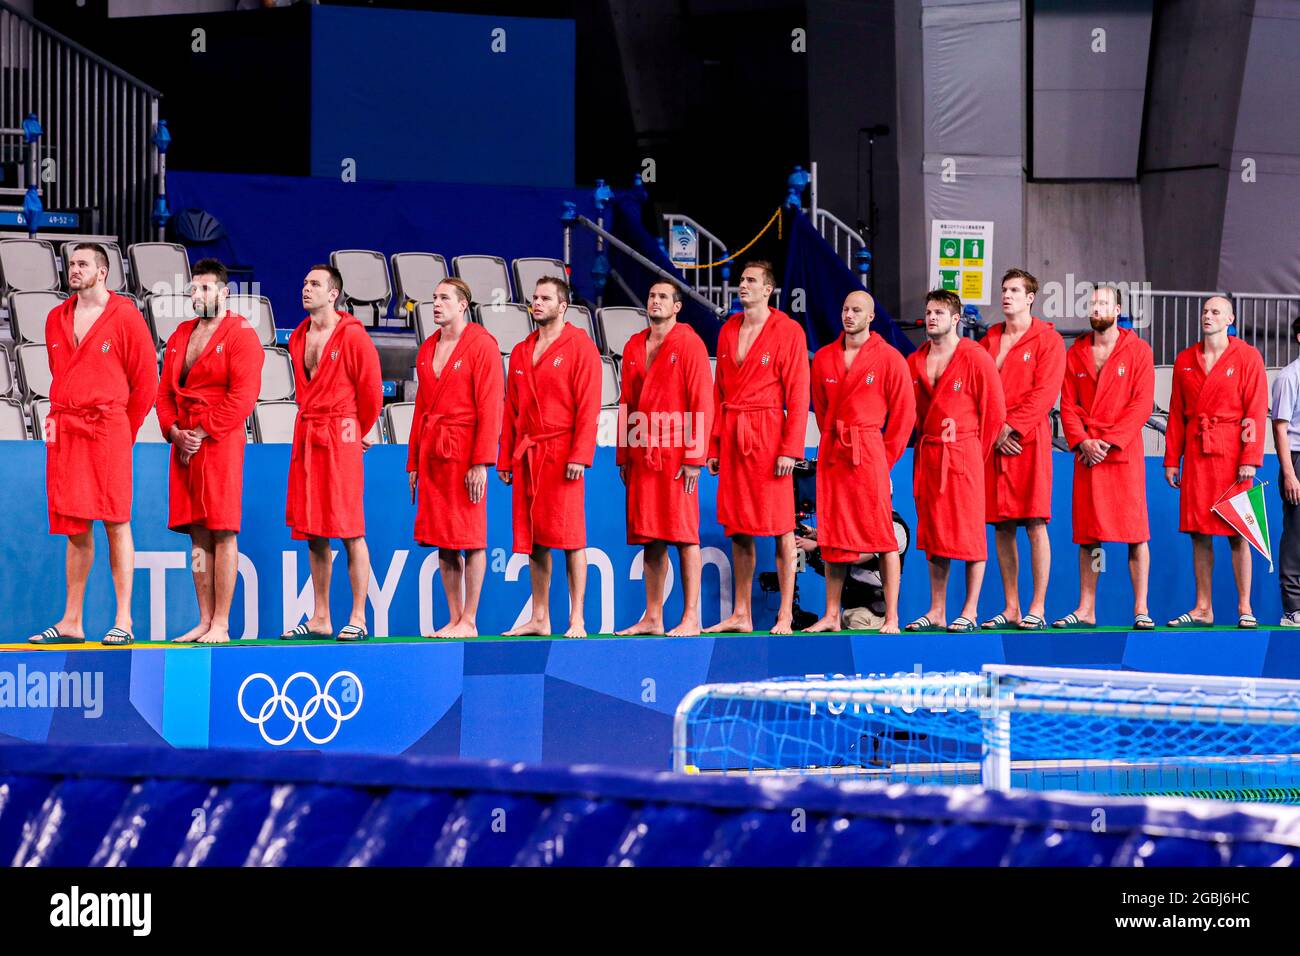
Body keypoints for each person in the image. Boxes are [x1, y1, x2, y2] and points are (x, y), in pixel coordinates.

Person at [28, 242, 158, 646]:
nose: (74, 269)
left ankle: (123, 620)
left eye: (82, 263)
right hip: (69, 431)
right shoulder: (55, 318)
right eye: (71, 263)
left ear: (103, 271)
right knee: (74, 525)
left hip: (109, 429)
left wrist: (123, 429)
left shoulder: (126, 316)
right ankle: (72, 620)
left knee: (116, 520)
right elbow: (61, 374)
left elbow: (147, 382)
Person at [156, 258, 264, 644]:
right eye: (193, 289)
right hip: (184, 442)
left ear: (223, 292)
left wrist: (200, 431)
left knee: (222, 530)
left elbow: (243, 397)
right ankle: (203, 619)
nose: (197, 295)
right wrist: (174, 431)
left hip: (219, 440)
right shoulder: (180, 335)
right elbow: (164, 394)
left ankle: (222, 622)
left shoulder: (241, 334)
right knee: (197, 534)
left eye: (205, 288)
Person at [704, 261, 811, 635]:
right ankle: (742, 613)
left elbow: (798, 395)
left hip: (768, 435)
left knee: (782, 526)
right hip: (733, 433)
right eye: (741, 280)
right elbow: (718, 393)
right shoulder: (728, 329)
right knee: (739, 528)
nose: (742, 285)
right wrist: (714, 444)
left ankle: (784, 613)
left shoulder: (789, 331)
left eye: (751, 280)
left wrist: (790, 448)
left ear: (768, 289)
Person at [282, 264, 383, 641]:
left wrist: (355, 429)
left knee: (350, 530)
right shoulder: (297, 336)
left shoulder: (354, 337)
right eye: (304, 282)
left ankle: (358, 616)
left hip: (339, 434)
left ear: (333, 293)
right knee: (313, 532)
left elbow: (371, 391)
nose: (306, 289)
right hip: (309, 434)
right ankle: (321, 615)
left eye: (314, 284)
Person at [804, 290, 915, 633]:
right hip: (835, 451)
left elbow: (905, 414)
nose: (848, 315)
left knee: (882, 536)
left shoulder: (889, 358)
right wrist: (834, 442)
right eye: (845, 308)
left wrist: (884, 457)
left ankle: (893, 616)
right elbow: (822, 412)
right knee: (834, 536)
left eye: (857, 310)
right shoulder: (823, 358)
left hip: (869, 451)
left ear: (871, 317)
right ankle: (832, 615)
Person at [498, 276, 601, 638]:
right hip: (528, 454)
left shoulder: (580, 347)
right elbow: (512, 409)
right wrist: (506, 459)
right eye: (535, 297)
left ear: (563, 306)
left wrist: (580, 455)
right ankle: (540, 617)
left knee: (572, 538)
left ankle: (577, 619)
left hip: (563, 455)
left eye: (545, 298)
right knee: (535, 538)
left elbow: (589, 407)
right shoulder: (523, 350)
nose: (537, 303)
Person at [615, 279, 714, 637]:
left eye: (663, 297)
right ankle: (653, 617)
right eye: (651, 295)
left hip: (676, 454)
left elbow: (702, 400)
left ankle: (691, 618)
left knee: (685, 536)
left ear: (677, 307)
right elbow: (627, 402)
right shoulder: (632, 345)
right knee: (650, 538)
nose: (654, 301)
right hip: (642, 451)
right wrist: (624, 454)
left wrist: (695, 457)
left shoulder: (689, 344)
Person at [905, 289, 1006, 632]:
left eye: (939, 312)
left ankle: (971, 609)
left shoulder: (976, 357)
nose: (931, 318)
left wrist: (974, 455)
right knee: (935, 534)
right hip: (930, 454)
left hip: (964, 454)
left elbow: (994, 413)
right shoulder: (915, 360)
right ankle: (936, 610)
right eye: (928, 311)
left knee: (969, 534)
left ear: (955, 319)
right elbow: (909, 412)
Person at [1054, 285, 1155, 630]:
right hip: (1088, 457)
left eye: (1103, 303)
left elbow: (1141, 405)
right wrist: (1082, 441)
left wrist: (1109, 442)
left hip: (1122, 455)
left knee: (1135, 533)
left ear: (1118, 308)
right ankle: (1087, 607)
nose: (1096, 308)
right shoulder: (1076, 353)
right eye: (1093, 303)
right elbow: (1067, 405)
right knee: (1091, 536)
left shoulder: (1138, 350)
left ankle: (1141, 607)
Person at [1164, 295, 1267, 628]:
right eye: (1205, 311)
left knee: (1239, 532)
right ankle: (1203, 607)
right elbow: (1177, 415)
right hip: (1196, 453)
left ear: (1230, 318)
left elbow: (1255, 412)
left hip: (1233, 453)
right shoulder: (1185, 360)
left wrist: (1250, 457)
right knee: (1198, 532)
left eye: (1215, 312)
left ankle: (1245, 607)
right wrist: (1171, 459)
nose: (1207, 316)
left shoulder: (1248, 357)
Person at [408, 278, 503, 638]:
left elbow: (491, 407)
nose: (436, 304)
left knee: (471, 536)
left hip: (464, 453)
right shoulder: (427, 347)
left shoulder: (482, 345)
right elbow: (420, 409)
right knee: (442, 538)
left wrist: (481, 461)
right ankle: (453, 617)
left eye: (444, 298)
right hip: (433, 453)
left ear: (463, 304)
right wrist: (413, 461)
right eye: (433, 298)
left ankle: (470, 618)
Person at [980, 268, 1066, 630]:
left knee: (1034, 523)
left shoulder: (1048, 340)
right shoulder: (989, 339)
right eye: (1004, 289)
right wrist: (994, 430)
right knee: (1001, 526)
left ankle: (1038, 606)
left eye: (1015, 290)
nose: (1007, 295)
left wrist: (1010, 427)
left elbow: (1045, 394)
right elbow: (980, 390)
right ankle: (1011, 606)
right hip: (995, 444)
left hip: (1028, 442)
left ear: (1030, 297)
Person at [1271, 316, 1300, 626]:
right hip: (1297, 458)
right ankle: (1293, 609)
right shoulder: (1289, 377)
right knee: (1296, 536)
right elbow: (1279, 427)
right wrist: (1290, 473)